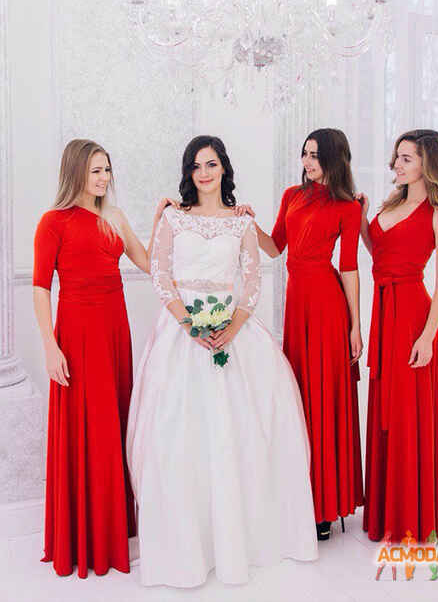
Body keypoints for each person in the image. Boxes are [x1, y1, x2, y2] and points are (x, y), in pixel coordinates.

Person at [126, 135, 318, 588]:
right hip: (182, 334)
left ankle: (241, 541)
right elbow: (160, 274)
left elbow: (253, 280)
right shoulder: (173, 218)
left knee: (242, 433)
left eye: (211, 164)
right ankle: (187, 547)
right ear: (188, 173)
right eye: (196, 166)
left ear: (224, 169)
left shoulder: (242, 221)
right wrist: (189, 325)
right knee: (181, 436)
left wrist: (232, 327)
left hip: (235, 330)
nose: (204, 173)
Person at [33, 138, 165, 578]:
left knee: (115, 422)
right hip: (75, 335)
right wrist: (50, 346)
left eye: (107, 169)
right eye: (95, 170)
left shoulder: (115, 217)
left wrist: (158, 222)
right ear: (75, 172)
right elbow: (40, 288)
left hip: (113, 332)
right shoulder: (52, 222)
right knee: (83, 426)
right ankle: (82, 535)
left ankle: (113, 530)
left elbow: (149, 263)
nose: (104, 178)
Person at [236, 128, 364, 540]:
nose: (307, 162)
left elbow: (349, 268)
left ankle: (324, 506)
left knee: (322, 397)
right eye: (305, 154)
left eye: (315, 155)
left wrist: (356, 325)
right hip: (297, 306)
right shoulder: (292, 195)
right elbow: (275, 247)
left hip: (327, 307)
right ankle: (298, 496)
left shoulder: (348, 207)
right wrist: (248, 223)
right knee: (298, 396)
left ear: (334, 159)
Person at [357, 129, 438, 543]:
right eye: (397, 157)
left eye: (406, 158)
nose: (396, 165)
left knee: (405, 415)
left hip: (413, 319)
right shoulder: (392, 204)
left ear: (428, 164)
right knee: (385, 413)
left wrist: (427, 336)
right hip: (384, 313)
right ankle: (387, 512)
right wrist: (363, 220)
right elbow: (380, 254)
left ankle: (410, 517)